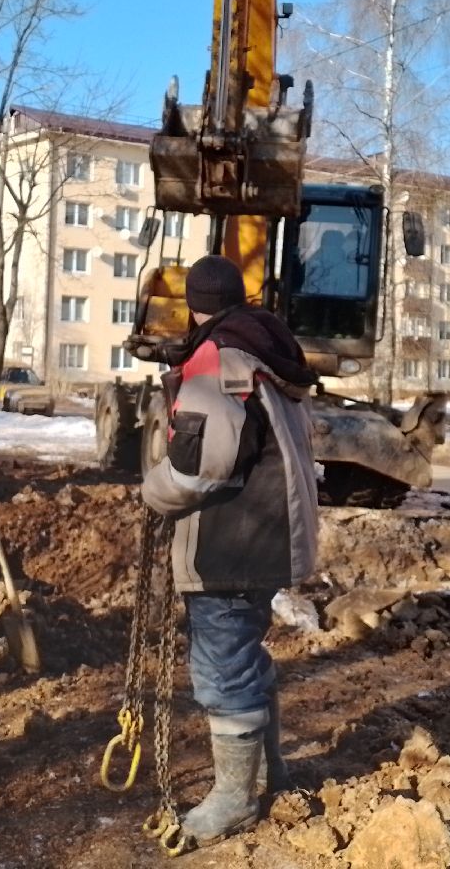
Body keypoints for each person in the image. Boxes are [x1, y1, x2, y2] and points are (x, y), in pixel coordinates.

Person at [141, 254, 319, 846]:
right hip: (267, 536)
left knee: (223, 668)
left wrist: (155, 490)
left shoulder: (218, 357)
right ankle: (268, 774)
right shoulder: (267, 347)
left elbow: (204, 465)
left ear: (192, 305)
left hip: (231, 541)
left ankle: (235, 800)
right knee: (244, 655)